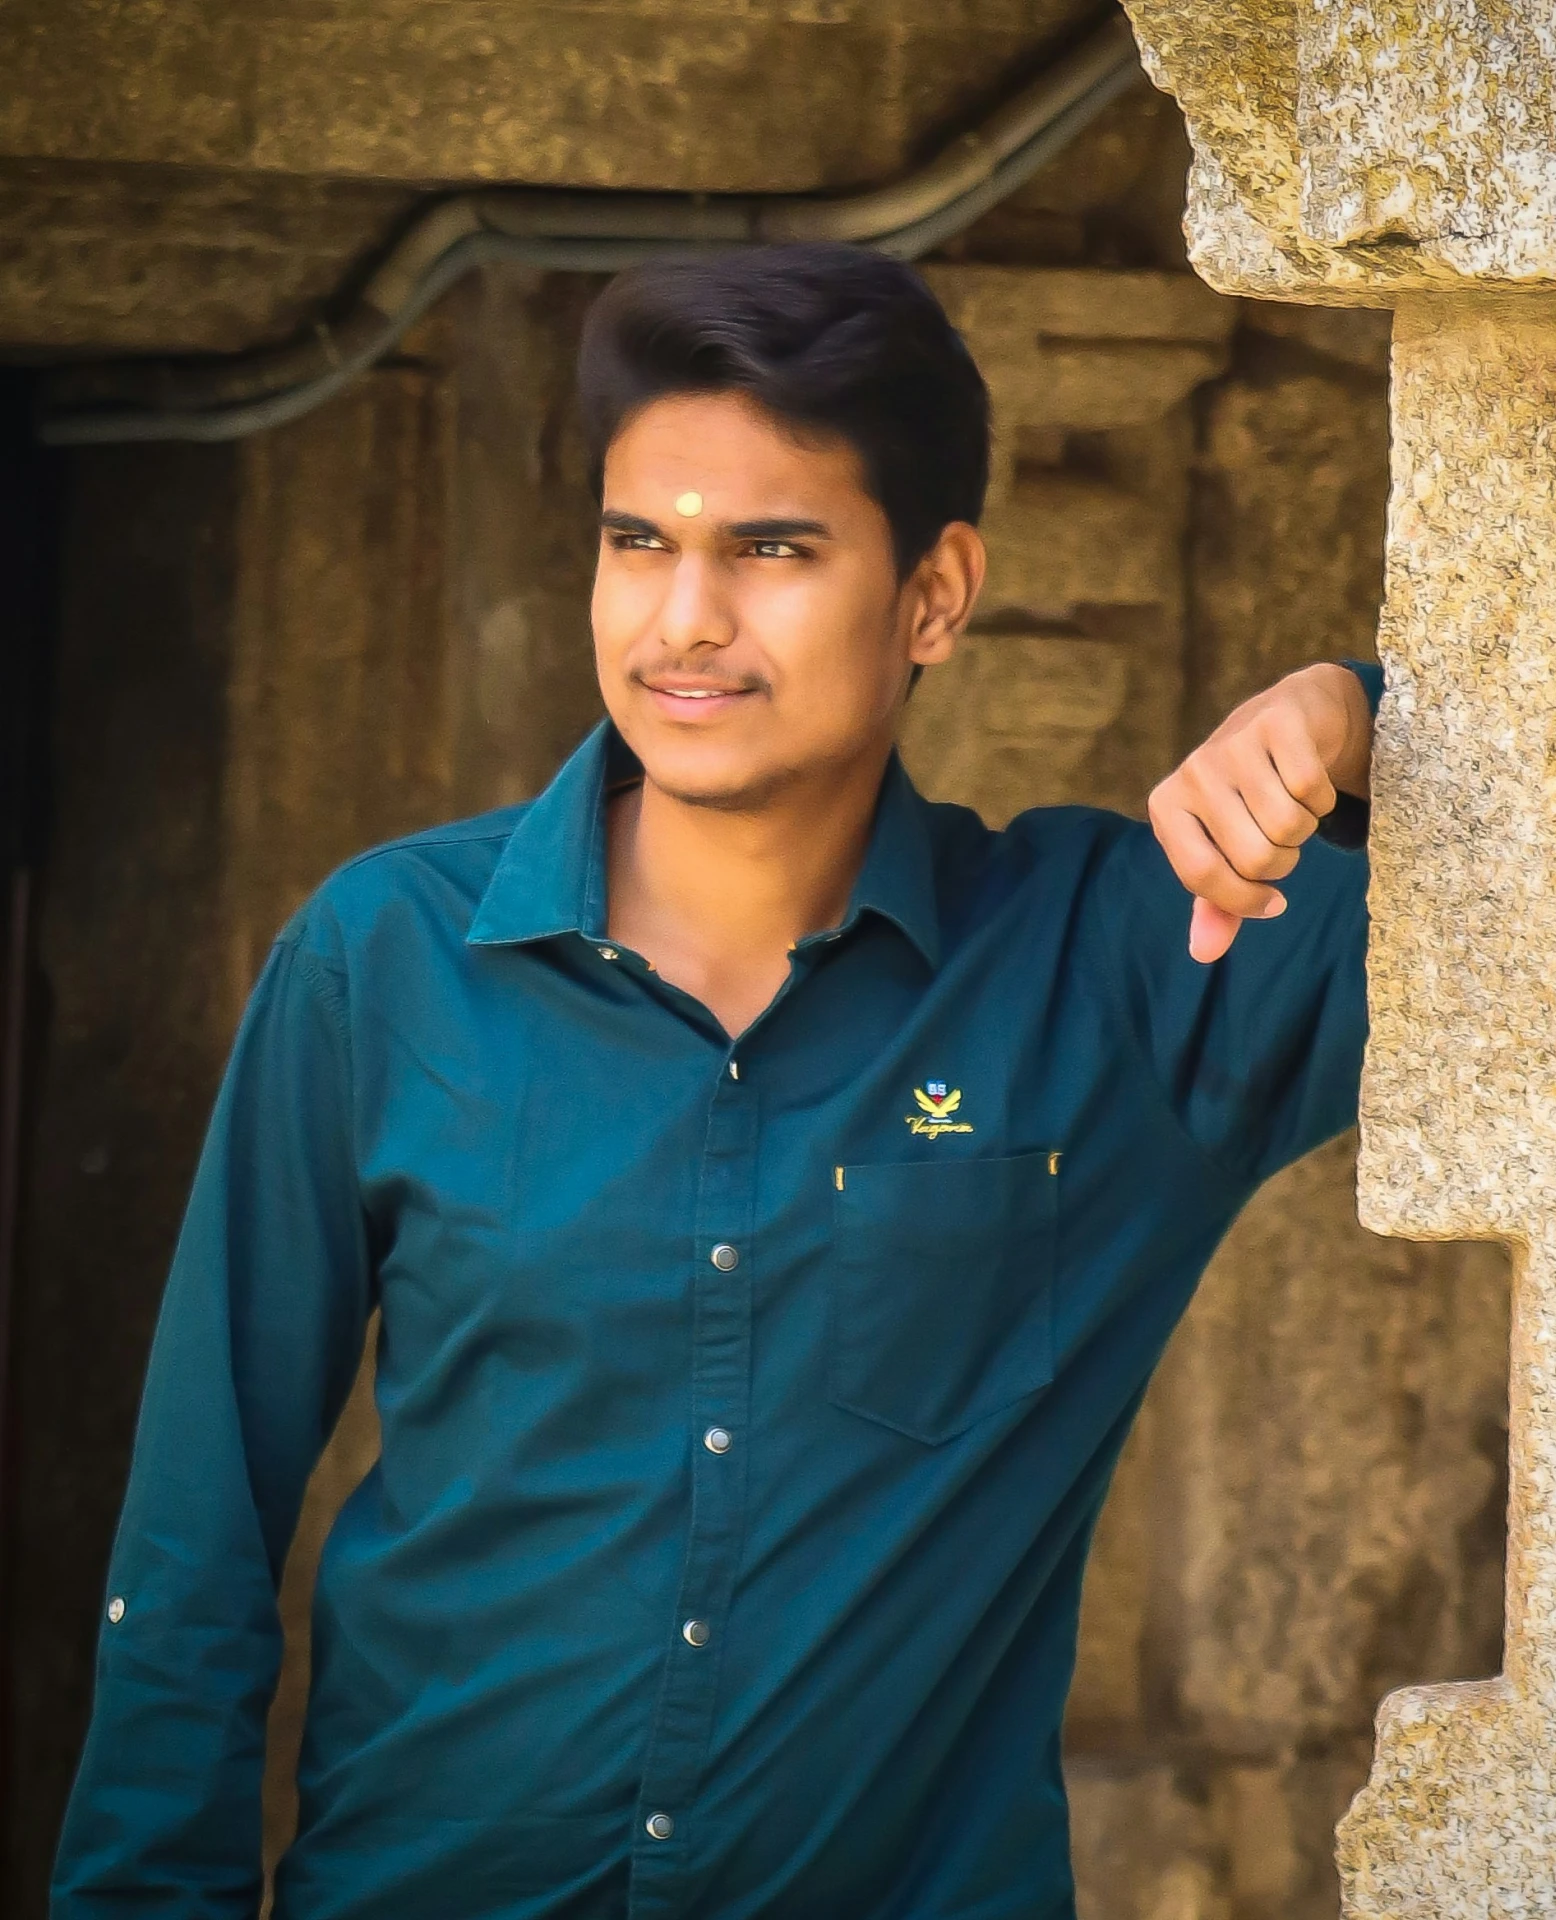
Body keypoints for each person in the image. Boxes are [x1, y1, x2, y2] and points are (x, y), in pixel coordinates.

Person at [52, 243, 1379, 1919]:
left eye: (770, 550)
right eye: (638, 544)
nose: (686, 618)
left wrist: (1362, 725)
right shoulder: (383, 957)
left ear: (936, 594)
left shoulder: (1128, 968)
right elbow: (196, 1538)